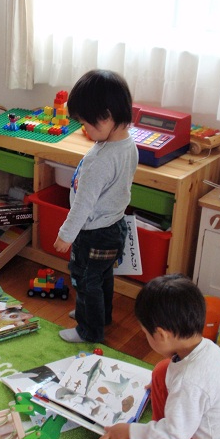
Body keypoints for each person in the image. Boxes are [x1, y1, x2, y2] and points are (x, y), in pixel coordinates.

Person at [97, 274, 220, 439]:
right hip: (214, 430)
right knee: (162, 370)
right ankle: (160, 431)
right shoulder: (204, 348)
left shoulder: (190, 380)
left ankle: (160, 436)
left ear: (162, 334)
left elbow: (175, 433)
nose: (146, 337)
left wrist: (130, 431)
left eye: (146, 333)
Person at [54, 69, 138, 343]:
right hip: (115, 227)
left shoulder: (99, 161)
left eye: (87, 124)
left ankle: (88, 330)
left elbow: (83, 205)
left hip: (93, 233)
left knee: (85, 279)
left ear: (106, 116)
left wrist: (66, 235)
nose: (86, 131)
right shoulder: (129, 145)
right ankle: (100, 315)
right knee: (102, 277)